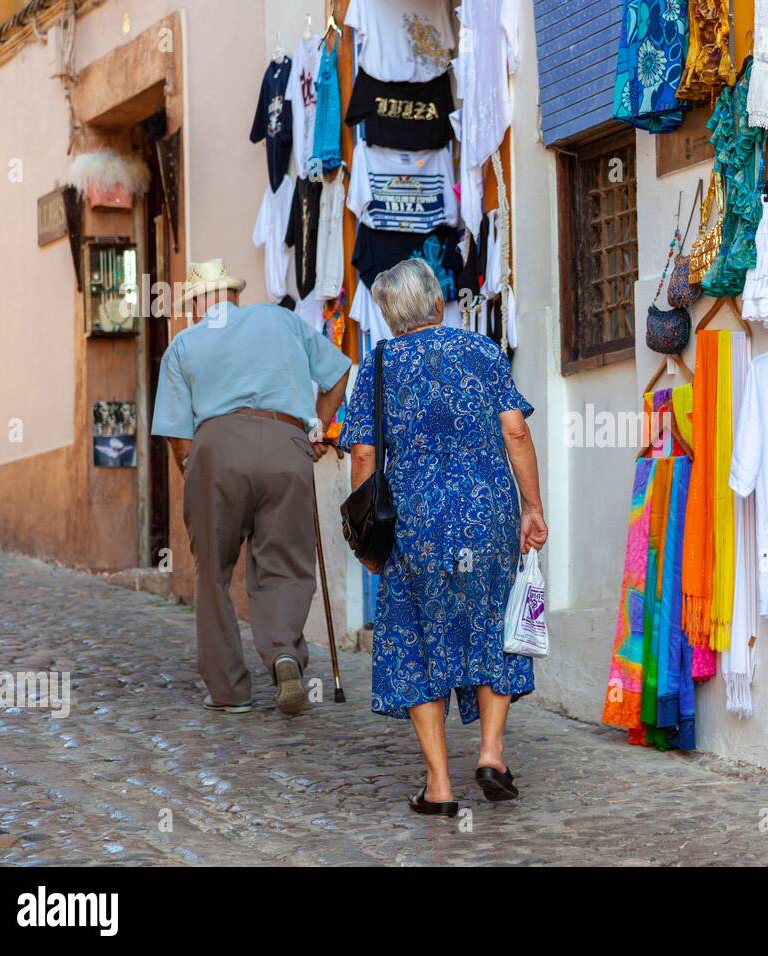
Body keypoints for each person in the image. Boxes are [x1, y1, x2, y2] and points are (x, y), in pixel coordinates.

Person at [339, 259, 547, 817]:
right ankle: (491, 753)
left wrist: (368, 539)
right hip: (487, 513)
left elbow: (363, 453)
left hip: (415, 523)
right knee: (493, 625)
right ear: (437, 303)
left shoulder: (377, 365)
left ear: (386, 316)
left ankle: (439, 785)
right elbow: (516, 429)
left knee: (415, 637)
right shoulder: (481, 351)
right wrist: (532, 507)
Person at [151, 259, 351, 716]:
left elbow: (177, 434)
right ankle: (283, 651)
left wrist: (196, 476)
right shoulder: (282, 319)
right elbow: (340, 371)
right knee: (284, 562)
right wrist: (314, 428)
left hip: (215, 450)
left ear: (197, 305)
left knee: (212, 573)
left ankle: (228, 691)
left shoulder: (183, 345)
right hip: (286, 443)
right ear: (235, 296)